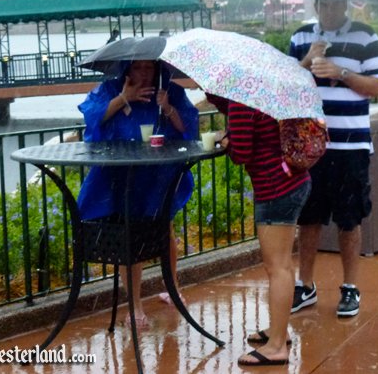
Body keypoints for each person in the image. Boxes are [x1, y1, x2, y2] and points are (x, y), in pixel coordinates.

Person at [77, 59, 199, 328]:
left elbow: (189, 128)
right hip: (120, 175)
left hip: (159, 174)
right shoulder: (109, 89)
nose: (144, 74)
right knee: (128, 236)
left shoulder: (171, 91)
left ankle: (173, 287)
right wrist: (124, 98)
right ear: (127, 69)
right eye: (138, 68)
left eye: (149, 68)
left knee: (164, 228)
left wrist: (167, 108)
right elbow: (92, 119)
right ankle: (135, 306)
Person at [288, 0, 378, 317]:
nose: (330, 11)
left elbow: (376, 87)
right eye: (324, 5)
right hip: (311, 146)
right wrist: (307, 61)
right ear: (316, 5)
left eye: (336, 5)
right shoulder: (301, 37)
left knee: (349, 218)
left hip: (350, 145)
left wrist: (340, 72)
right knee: (309, 217)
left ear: (344, 5)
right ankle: (306, 285)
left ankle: (350, 288)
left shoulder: (365, 36)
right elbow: (286, 84)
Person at [209, 95, 311, 367]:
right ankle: (279, 330)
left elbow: (241, 153)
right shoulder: (256, 93)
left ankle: (276, 345)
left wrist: (226, 142)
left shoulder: (241, 101)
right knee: (282, 266)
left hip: (275, 188)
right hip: (292, 179)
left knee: (278, 267)